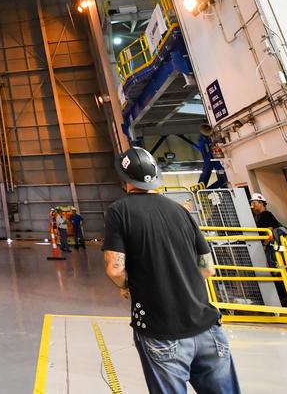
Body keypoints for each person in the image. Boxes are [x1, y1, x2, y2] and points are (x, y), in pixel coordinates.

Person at [103, 147, 240, 394]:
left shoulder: (119, 211)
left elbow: (115, 268)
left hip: (161, 329)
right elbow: (208, 268)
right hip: (208, 327)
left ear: (123, 179)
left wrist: (126, 286)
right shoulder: (180, 211)